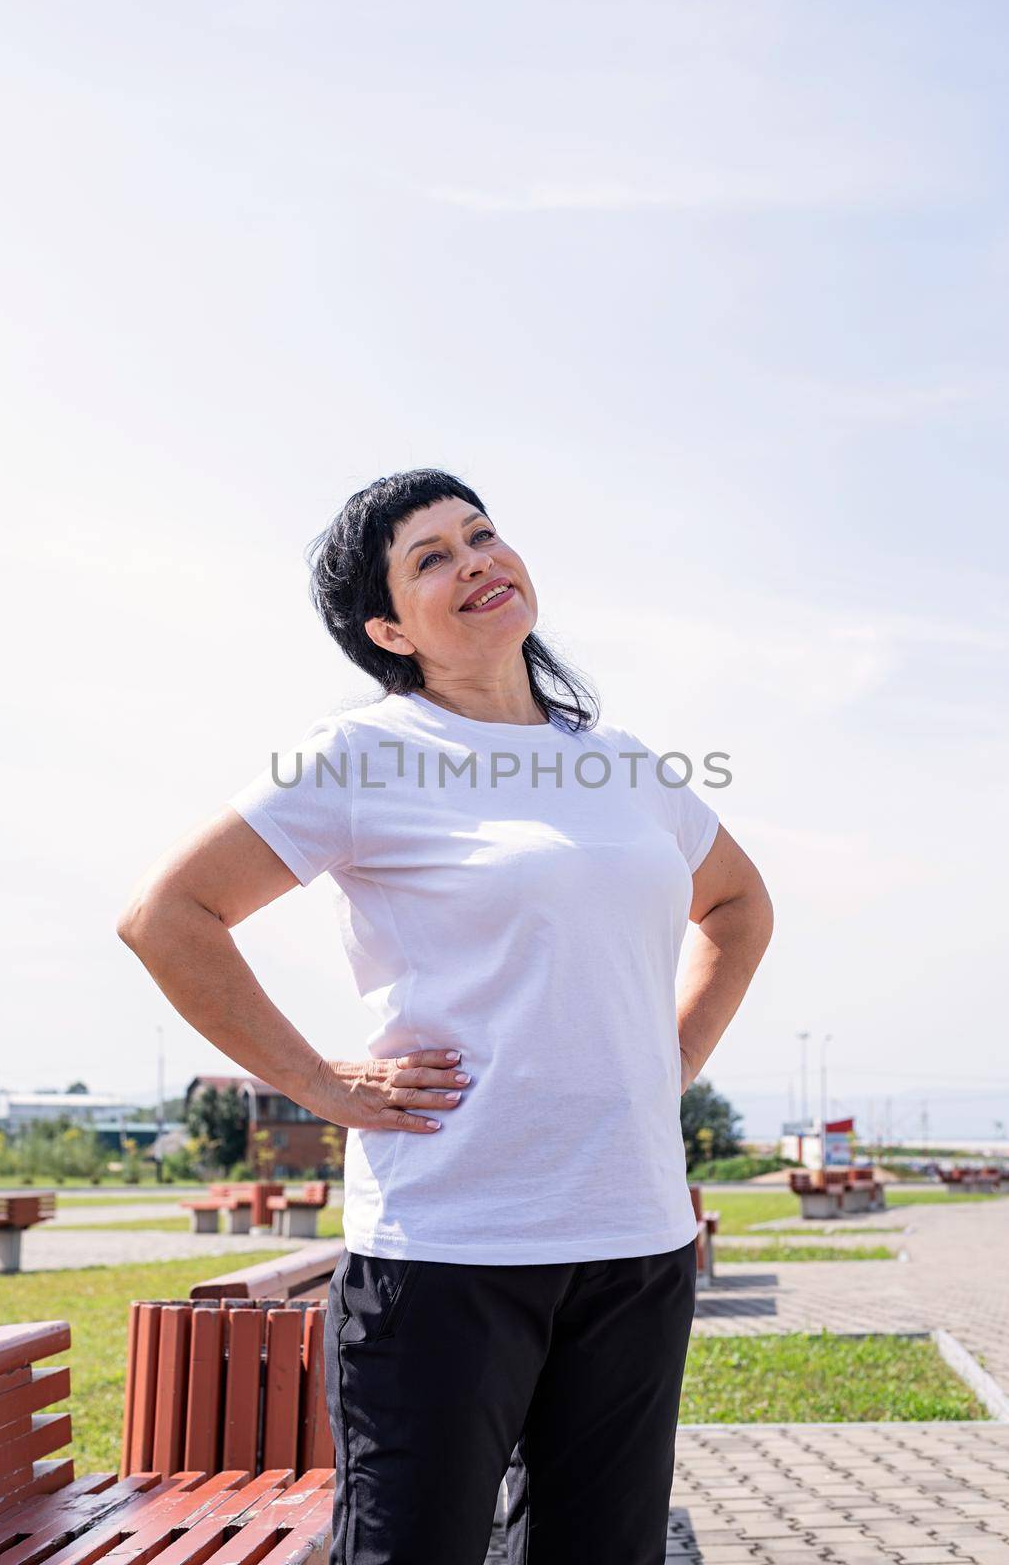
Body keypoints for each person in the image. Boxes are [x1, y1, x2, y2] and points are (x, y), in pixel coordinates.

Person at [117, 469, 774, 1565]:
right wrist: (322, 1086)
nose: (476, 558)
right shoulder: (362, 755)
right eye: (431, 557)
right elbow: (167, 915)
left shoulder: (622, 766)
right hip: (448, 1248)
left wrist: (677, 1056)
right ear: (388, 628)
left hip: (637, 1239)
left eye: (482, 534)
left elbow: (739, 906)